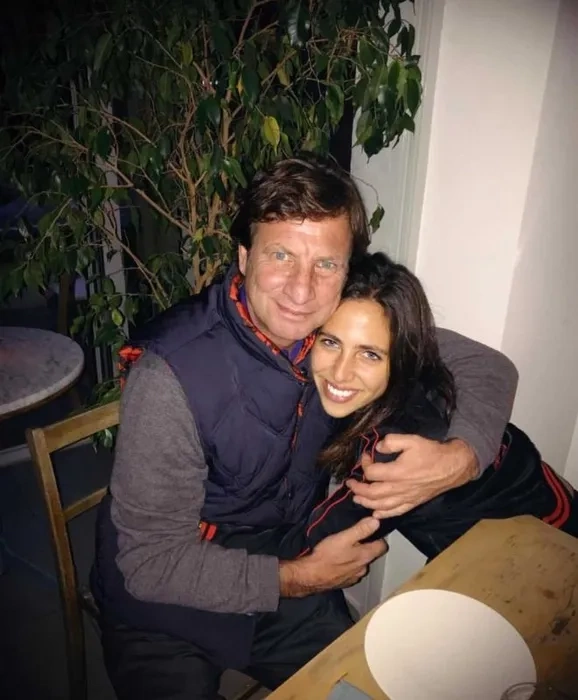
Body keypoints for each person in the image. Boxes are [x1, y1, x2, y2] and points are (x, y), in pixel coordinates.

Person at [91, 154, 519, 700]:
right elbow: (150, 563)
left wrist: (462, 456)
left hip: (278, 563)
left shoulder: (339, 324)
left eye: (326, 264)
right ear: (244, 257)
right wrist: (301, 577)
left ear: (347, 271)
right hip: (161, 602)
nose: (301, 290)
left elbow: (487, 367)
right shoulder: (169, 377)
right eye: (281, 255)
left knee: (369, 686)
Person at [212, 252, 577, 562]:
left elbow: (318, 543)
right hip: (477, 540)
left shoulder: (393, 451)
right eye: (331, 342)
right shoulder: (391, 356)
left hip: (545, 532)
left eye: (369, 354)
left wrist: (212, 545)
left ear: (403, 356)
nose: (340, 373)